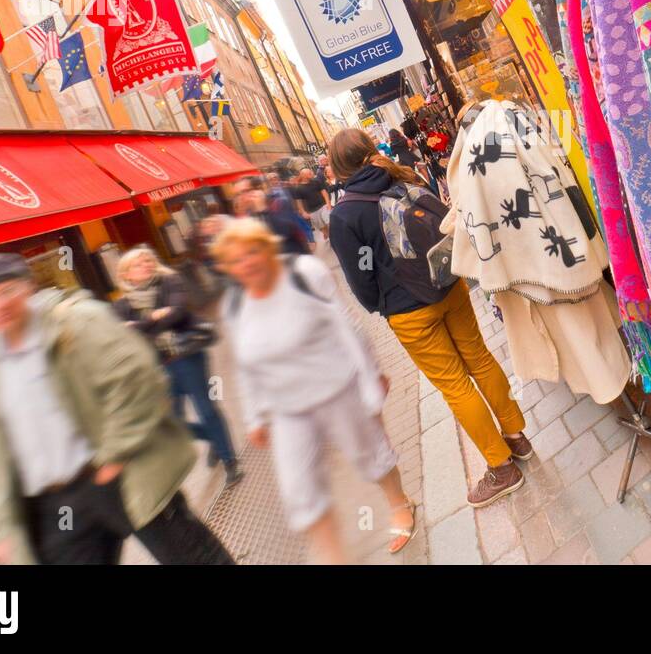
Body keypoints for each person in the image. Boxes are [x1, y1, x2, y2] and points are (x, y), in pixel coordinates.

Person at [0, 253, 234, 565]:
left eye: (5, 292)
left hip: (118, 478)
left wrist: (115, 454)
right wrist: (6, 528)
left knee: (194, 559)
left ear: (27, 287)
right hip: (59, 504)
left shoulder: (77, 322)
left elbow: (135, 379)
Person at [326, 128, 531, 508]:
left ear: (338, 169)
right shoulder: (403, 174)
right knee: (481, 359)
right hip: (449, 284)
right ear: (370, 151)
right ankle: (517, 437)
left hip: (409, 311)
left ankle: (502, 468)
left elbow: (360, 276)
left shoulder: (345, 214)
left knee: (455, 385)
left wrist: (383, 303)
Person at [213, 218, 417, 562]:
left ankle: (399, 504)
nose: (246, 263)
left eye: (252, 252)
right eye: (235, 260)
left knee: (369, 456)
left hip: (336, 389)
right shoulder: (234, 305)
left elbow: (347, 328)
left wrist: (372, 376)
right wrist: (253, 416)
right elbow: (246, 365)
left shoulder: (303, 274)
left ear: (266, 247)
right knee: (299, 490)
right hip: (287, 409)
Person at [113, 246, 241, 487]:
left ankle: (230, 461)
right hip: (158, 368)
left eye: (149, 260)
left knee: (206, 409)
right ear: (126, 274)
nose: (147, 264)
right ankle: (213, 437)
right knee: (173, 422)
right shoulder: (120, 306)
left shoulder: (170, 281)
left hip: (187, 356)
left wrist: (140, 324)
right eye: (139, 264)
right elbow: (123, 335)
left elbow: (178, 313)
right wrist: (154, 318)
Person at [234, 176, 311, 255]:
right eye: (238, 194)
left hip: (293, 257)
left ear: (257, 190)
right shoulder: (247, 217)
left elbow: (284, 231)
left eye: (245, 191)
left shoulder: (278, 203)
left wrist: (262, 210)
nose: (242, 197)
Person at [292, 167, 332, 242]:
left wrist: (328, 204)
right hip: (312, 211)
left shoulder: (316, 181)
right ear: (303, 176)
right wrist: (303, 212)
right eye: (309, 173)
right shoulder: (298, 188)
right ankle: (326, 233)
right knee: (322, 227)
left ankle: (333, 237)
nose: (312, 174)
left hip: (323, 206)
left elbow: (324, 193)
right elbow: (299, 202)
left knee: (329, 222)